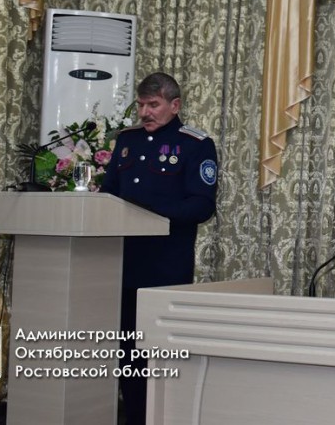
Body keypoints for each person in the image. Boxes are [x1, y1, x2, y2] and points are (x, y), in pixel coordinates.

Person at [100, 72, 218, 425]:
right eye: (141, 105)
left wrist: (150, 213)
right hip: (122, 265)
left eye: (153, 105)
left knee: (160, 354)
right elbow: (109, 195)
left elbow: (202, 206)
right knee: (128, 352)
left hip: (166, 267)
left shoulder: (195, 144)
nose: (145, 112)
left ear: (174, 105)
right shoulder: (127, 140)